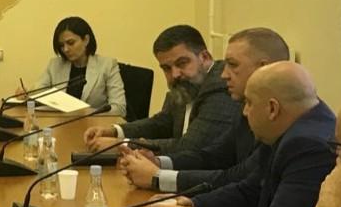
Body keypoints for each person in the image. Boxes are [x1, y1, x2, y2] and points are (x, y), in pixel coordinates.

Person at [144, 62, 336, 207]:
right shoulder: (287, 128)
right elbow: (250, 190)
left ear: (272, 109)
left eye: (249, 103)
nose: (244, 112)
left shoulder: (308, 145)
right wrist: (193, 204)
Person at [119, 28, 290, 192]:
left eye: (232, 65)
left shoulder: (286, 125)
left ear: (263, 68)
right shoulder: (246, 108)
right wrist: (158, 162)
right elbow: (213, 156)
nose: (224, 75)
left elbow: (237, 178)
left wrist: (158, 177)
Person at [83, 24, 241, 155]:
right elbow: (161, 123)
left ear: (205, 57)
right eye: (166, 68)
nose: (175, 74)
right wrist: (114, 131)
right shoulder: (185, 86)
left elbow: (190, 147)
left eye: (182, 63)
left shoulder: (221, 86)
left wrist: (121, 144)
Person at [32, 16, 126, 116]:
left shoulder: (107, 65)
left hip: (93, 123)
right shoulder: (55, 65)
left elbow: (119, 109)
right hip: (61, 122)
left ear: (86, 40)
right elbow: (38, 93)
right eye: (62, 45)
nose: (65, 49)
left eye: (70, 43)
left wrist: (85, 112)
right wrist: (26, 95)